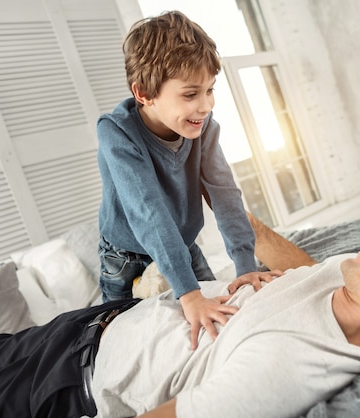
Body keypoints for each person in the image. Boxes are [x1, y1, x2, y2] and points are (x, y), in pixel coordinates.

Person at [0, 208, 360, 418]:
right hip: (93, 323)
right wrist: (235, 214)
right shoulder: (355, 278)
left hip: (69, 384)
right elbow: (308, 267)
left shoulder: (288, 368)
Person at [96, 11, 267, 349]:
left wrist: (245, 264)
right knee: (114, 336)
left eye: (210, 90)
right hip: (125, 254)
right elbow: (148, 211)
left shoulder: (203, 128)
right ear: (144, 92)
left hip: (182, 243)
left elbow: (225, 195)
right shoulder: (117, 133)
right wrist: (189, 295)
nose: (206, 105)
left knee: (217, 317)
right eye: (191, 95)